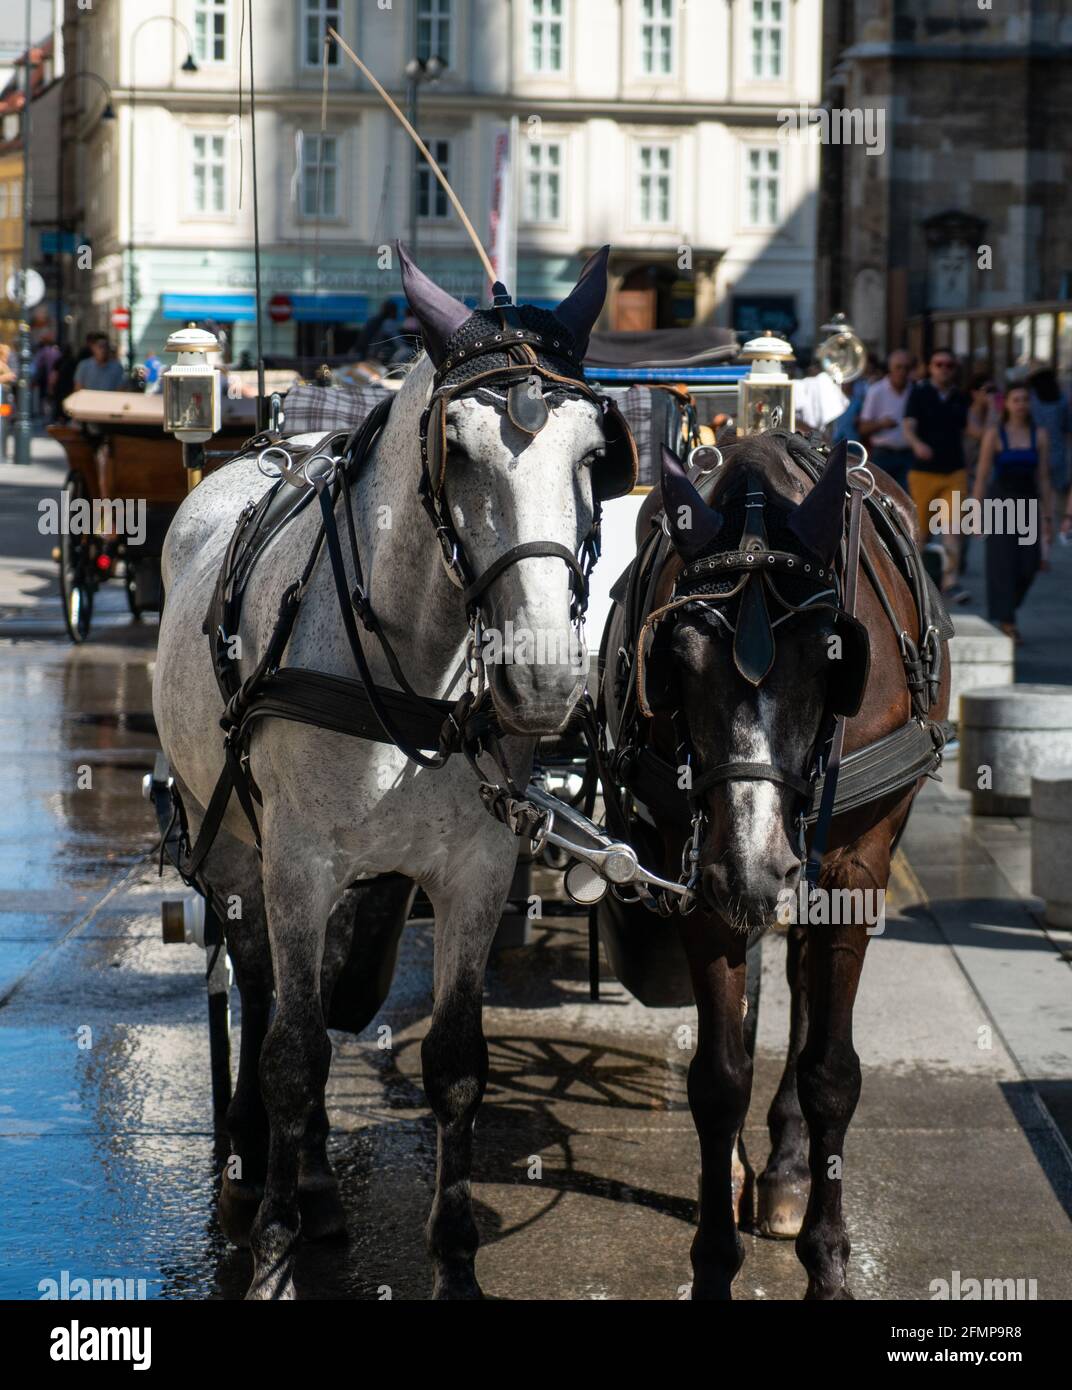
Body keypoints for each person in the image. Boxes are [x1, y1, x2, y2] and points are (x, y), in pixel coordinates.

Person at [972, 383, 1053, 645]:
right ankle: (1008, 622)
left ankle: (1006, 609)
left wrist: (1048, 519)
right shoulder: (994, 434)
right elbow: (982, 476)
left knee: (1029, 565)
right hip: (1000, 503)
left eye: (1025, 400)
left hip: (1028, 503)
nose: (1021, 404)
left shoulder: (1039, 435)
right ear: (1006, 404)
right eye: (1016, 400)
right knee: (1002, 566)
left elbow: (1043, 477)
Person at [902, 349, 973, 598]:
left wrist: (991, 409)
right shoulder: (920, 393)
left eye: (949, 365)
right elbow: (908, 426)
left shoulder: (960, 398)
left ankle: (950, 580)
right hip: (923, 473)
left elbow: (971, 431)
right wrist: (916, 444)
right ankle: (917, 580)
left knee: (954, 528)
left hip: (954, 471)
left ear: (955, 369)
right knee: (921, 530)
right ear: (930, 367)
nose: (944, 369)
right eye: (938, 364)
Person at [858, 348, 914, 489]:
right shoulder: (876, 391)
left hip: (908, 455)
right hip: (883, 454)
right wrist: (882, 424)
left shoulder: (915, 391)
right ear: (890, 368)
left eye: (906, 368)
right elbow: (863, 428)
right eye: (898, 367)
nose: (902, 372)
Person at [1028, 366, 1070, 524]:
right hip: (1058, 452)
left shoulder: (1031, 400)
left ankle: (1042, 519)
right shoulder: (1062, 400)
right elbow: (1068, 428)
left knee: (1038, 486)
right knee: (1059, 490)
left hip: (1036, 451)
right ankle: (1059, 521)